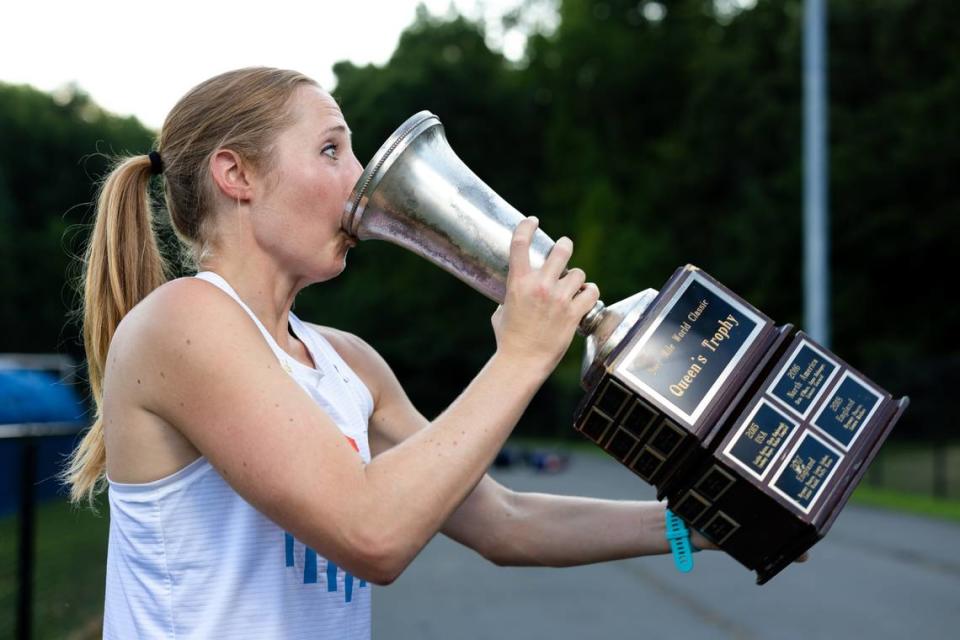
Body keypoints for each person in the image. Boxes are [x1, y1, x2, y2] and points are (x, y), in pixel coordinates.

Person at [63, 67, 714, 639]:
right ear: (237, 174)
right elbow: (371, 534)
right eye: (330, 150)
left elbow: (503, 521)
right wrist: (520, 357)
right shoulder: (184, 322)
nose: (357, 183)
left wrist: (700, 523)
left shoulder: (349, 361)